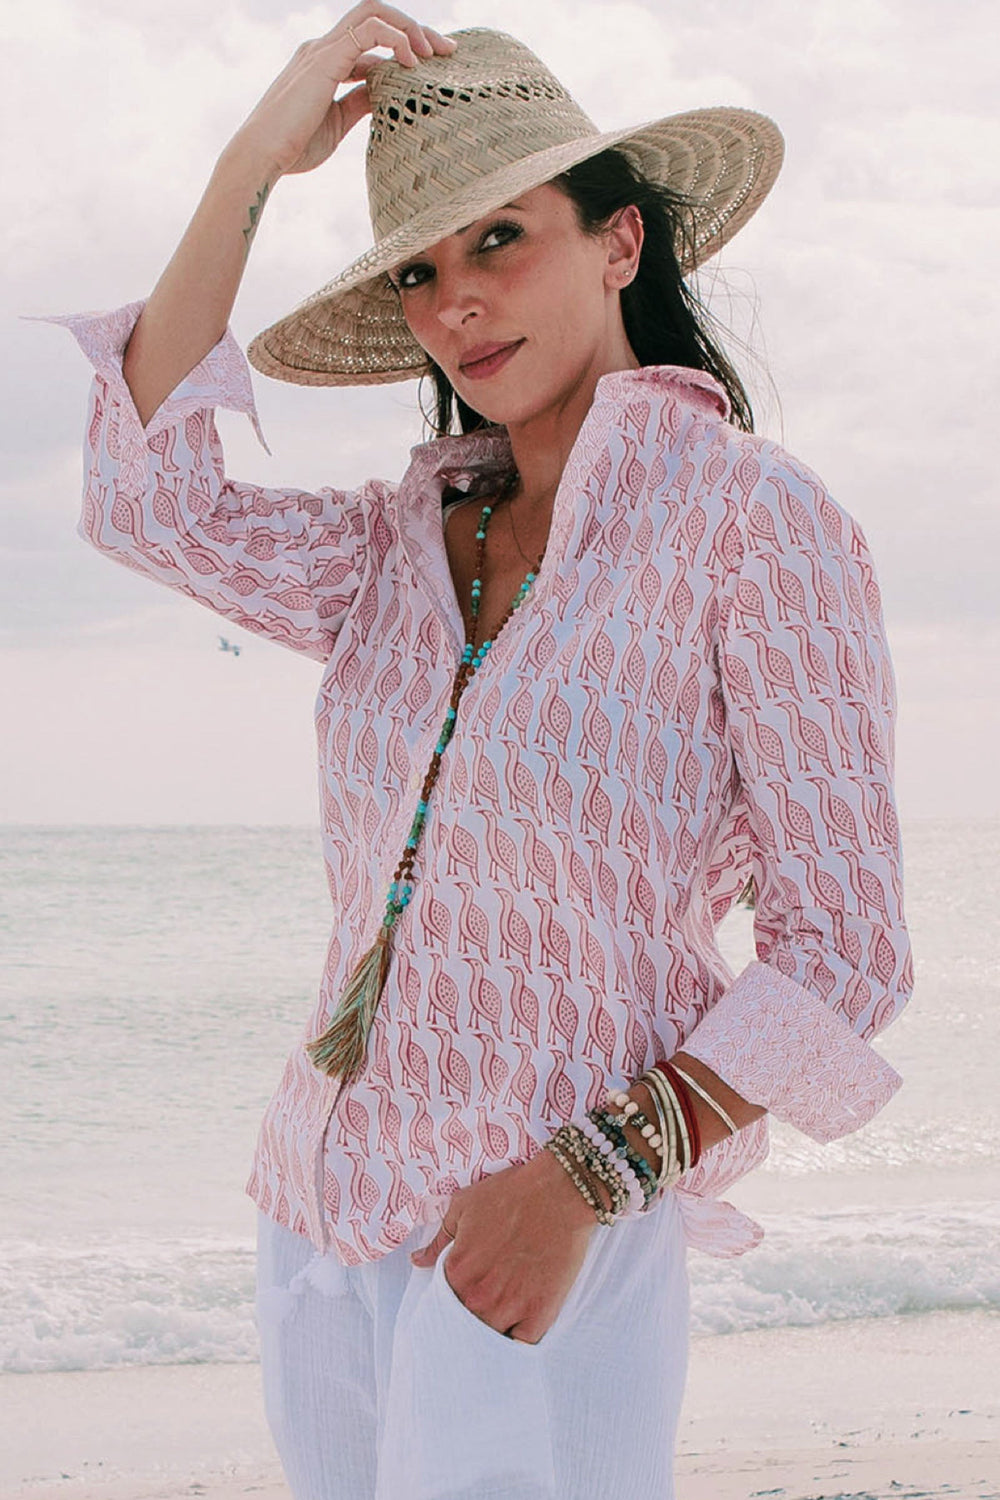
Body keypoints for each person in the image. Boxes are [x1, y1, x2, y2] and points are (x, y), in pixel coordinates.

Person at [34, 10, 914, 1498]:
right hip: (316, 1214)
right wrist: (258, 157)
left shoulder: (754, 524)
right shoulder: (395, 548)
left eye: (499, 237)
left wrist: (588, 1179)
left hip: (537, 1232)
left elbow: (848, 950)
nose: (457, 302)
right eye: (420, 270)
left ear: (620, 242)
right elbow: (148, 506)